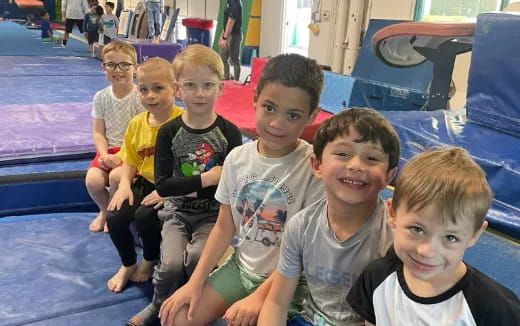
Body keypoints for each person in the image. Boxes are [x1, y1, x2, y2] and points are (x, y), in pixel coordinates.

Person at [159, 53, 325, 326]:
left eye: (292, 115)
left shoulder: (313, 167)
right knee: (177, 318)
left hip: (289, 280)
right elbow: (225, 227)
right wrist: (194, 283)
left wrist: (259, 298)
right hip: (242, 268)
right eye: (269, 108)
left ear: (312, 115)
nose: (276, 123)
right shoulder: (237, 159)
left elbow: (306, 251)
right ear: (255, 99)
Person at [127, 44, 243, 326]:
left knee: (196, 258)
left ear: (221, 88)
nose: (200, 93)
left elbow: (229, 187)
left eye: (208, 85)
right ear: (178, 89)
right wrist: (206, 178)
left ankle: (190, 302)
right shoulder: (170, 131)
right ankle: (158, 305)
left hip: (213, 216)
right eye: (191, 85)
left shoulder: (228, 133)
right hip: (177, 212)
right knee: (170, 265)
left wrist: (194, 185)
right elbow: (165, 187)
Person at [258, 108, 401, 326]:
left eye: (372, 158)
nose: (355, 165)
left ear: (389, 177)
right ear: (317, 166)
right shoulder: (302, 226)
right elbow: (276, 303)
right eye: (343, 154)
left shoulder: (393, 237)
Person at [347, 147, 520, 325]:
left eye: (450, 237)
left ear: (474, 235)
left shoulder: (494, 310)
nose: (427, 251)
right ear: (393, 214)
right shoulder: (376, 277)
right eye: (417, 229)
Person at [106, 57, 183, 293]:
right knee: (115, 216)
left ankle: (149, 260)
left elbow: (190, 165)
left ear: (175, 89)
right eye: (143, 90)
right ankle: (128, 263)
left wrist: (169, 192)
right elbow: (130, 159)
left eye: (158, 88)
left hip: (173, 187)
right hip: (146, 181)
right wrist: (125, 185)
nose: (150, 96)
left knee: (144, 217)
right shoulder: (137, 124)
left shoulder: (183, 122)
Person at [85, 41, 145, 233]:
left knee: (116, 176)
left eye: (124, 65)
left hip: (133, 152)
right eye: (111, 64)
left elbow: (141, 135)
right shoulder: (101, 97)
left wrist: (121, 157)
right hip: (108, 150)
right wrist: (103, 154)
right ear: (104, 67)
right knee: (92, 180)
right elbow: (98, 132)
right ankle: (104, 210)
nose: (117, 70)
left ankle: (114, 214)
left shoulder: (139, 98)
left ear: (135, 68)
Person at [218, 0, 242, 81]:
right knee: (223, 58)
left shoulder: (235, 3)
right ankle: (226, 78)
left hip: (234, 35)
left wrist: (224, 38)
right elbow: (226, 22)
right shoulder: (229, 2)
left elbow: (231, 22)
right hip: (227, 34)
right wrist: (222, 35)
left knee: (234, 60)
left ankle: (236, 82)